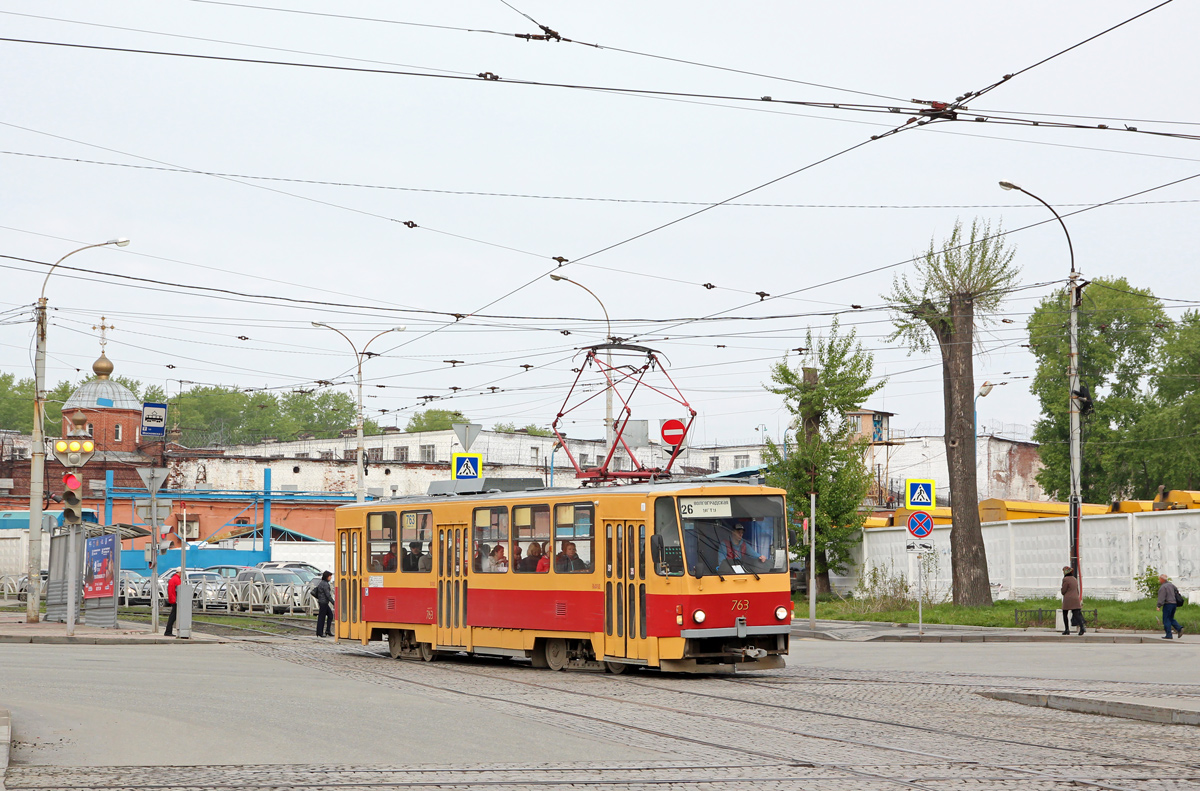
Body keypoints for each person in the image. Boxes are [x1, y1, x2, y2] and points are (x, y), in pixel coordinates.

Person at [1158, 574, 1185, 640]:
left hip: (1167, 604)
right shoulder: (1172, 585)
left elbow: (1162, 597)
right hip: (1174, 604)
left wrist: (1159, 605)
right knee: (1170, 618)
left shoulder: (1163, 587)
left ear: (1162, 579)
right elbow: (1177, 592)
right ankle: (1179, 628)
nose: (1159, 581)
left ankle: (1169, 635)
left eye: (1159, 579)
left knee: (1166, 619)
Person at [1060, 566, 1084, 636]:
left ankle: (1067, 629)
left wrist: (1062, 590)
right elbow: (1077, 590)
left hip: (1068, 599)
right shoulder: (1074, 579)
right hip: (1075, 598)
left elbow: (1063, 590)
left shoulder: (1065, 579)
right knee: (1076, 614)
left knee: (1065, 614)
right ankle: (1082, 627)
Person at [314, 571, 335, 638]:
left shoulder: (322, 583)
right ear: (327, 576)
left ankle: (327, 631)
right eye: (330, 576)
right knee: (322, 617)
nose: (331, 577)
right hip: (323, 603)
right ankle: (320, 632)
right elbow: (327, 595)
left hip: (322, 602)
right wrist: (333, 602)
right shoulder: (325, 584)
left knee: (330, 615)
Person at [163, 571, 182, 637]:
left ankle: (168, 631)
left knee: (173, 616)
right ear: (179, 572)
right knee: (173, 617)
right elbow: (180, 590)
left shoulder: (172, 579)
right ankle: (168, 631)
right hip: (176, 600)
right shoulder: (177, 580)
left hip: (173, 599)